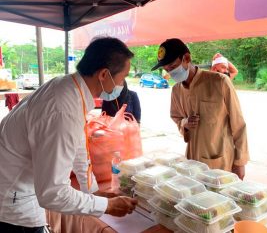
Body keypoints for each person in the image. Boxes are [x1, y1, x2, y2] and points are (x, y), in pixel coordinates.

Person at [0, 37, 138, 232]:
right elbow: (52, 193)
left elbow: (78, 146)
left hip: (18, 190)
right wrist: (106, 206)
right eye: (122, 77)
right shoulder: (62, 109)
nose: (123, 84)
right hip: (13, 206)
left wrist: (92, 192)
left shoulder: (69, 88)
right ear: (104, 74)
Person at [152, 38, 249, 180]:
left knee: (218, 199)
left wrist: (240, 162)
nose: (170, 73)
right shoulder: (176, 90)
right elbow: (176, 118)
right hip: (192, 162)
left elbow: (238, 124)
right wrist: (185, 123)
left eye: (173, 67)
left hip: (219, 161)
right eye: (167, 70)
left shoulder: (219, 82)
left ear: (187, 58)